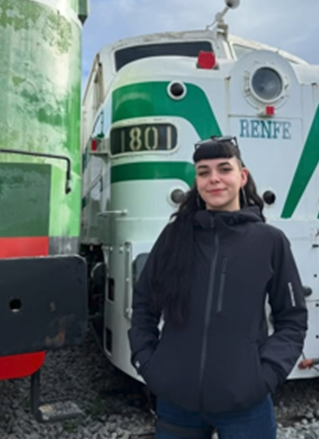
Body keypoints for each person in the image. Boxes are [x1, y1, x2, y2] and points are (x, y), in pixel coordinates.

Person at [128, 136, 308, 439]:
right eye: (203, 172)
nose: (214, 179)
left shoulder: (269, 241)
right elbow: (144, 304)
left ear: (242, 176)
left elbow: (292, 319)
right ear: (197, 181)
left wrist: (266, 375)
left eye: (224, 169)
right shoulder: (174, 237)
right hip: (176, 401)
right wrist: (148, 363)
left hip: (246, 404)